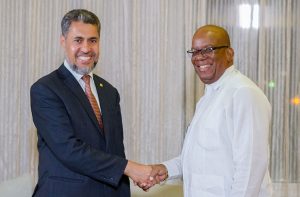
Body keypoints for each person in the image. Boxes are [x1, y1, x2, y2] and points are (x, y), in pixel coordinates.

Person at [30, 9, 155, 197]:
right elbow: (68, 149)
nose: (87, 48)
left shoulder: (109, 92)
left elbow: (115, 151)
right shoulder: (46, 89)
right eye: (78, 40)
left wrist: (129, 178)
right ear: (63, 42)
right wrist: (130, 168)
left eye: (93, 40)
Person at [145, 25, 273, 196]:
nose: (199, 58)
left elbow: (251, 167)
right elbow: (201, 158)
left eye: (208, 50)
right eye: (195, 52)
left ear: (229, 53)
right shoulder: (208, 97)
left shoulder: (243, 93)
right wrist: (165, 169)